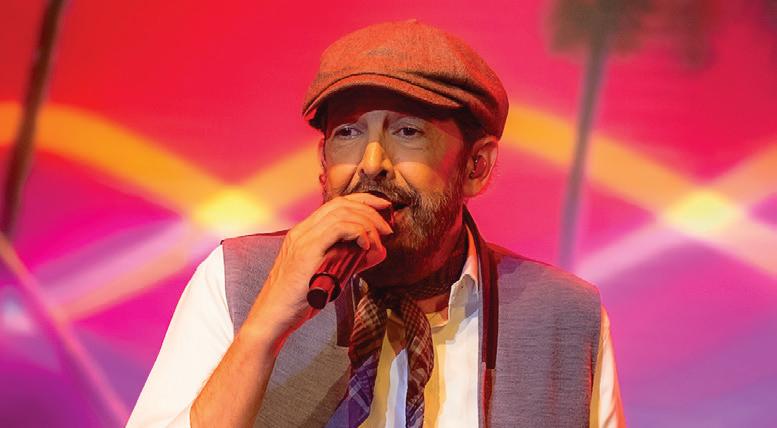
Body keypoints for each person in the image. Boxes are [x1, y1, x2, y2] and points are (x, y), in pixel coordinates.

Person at [127, 20, 624, 428]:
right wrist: (262, 331)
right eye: (348, 132)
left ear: (476, 166)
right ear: (322, 162)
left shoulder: (564, 316)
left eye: (406, 131)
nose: (371, 164)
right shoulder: (238, 279)